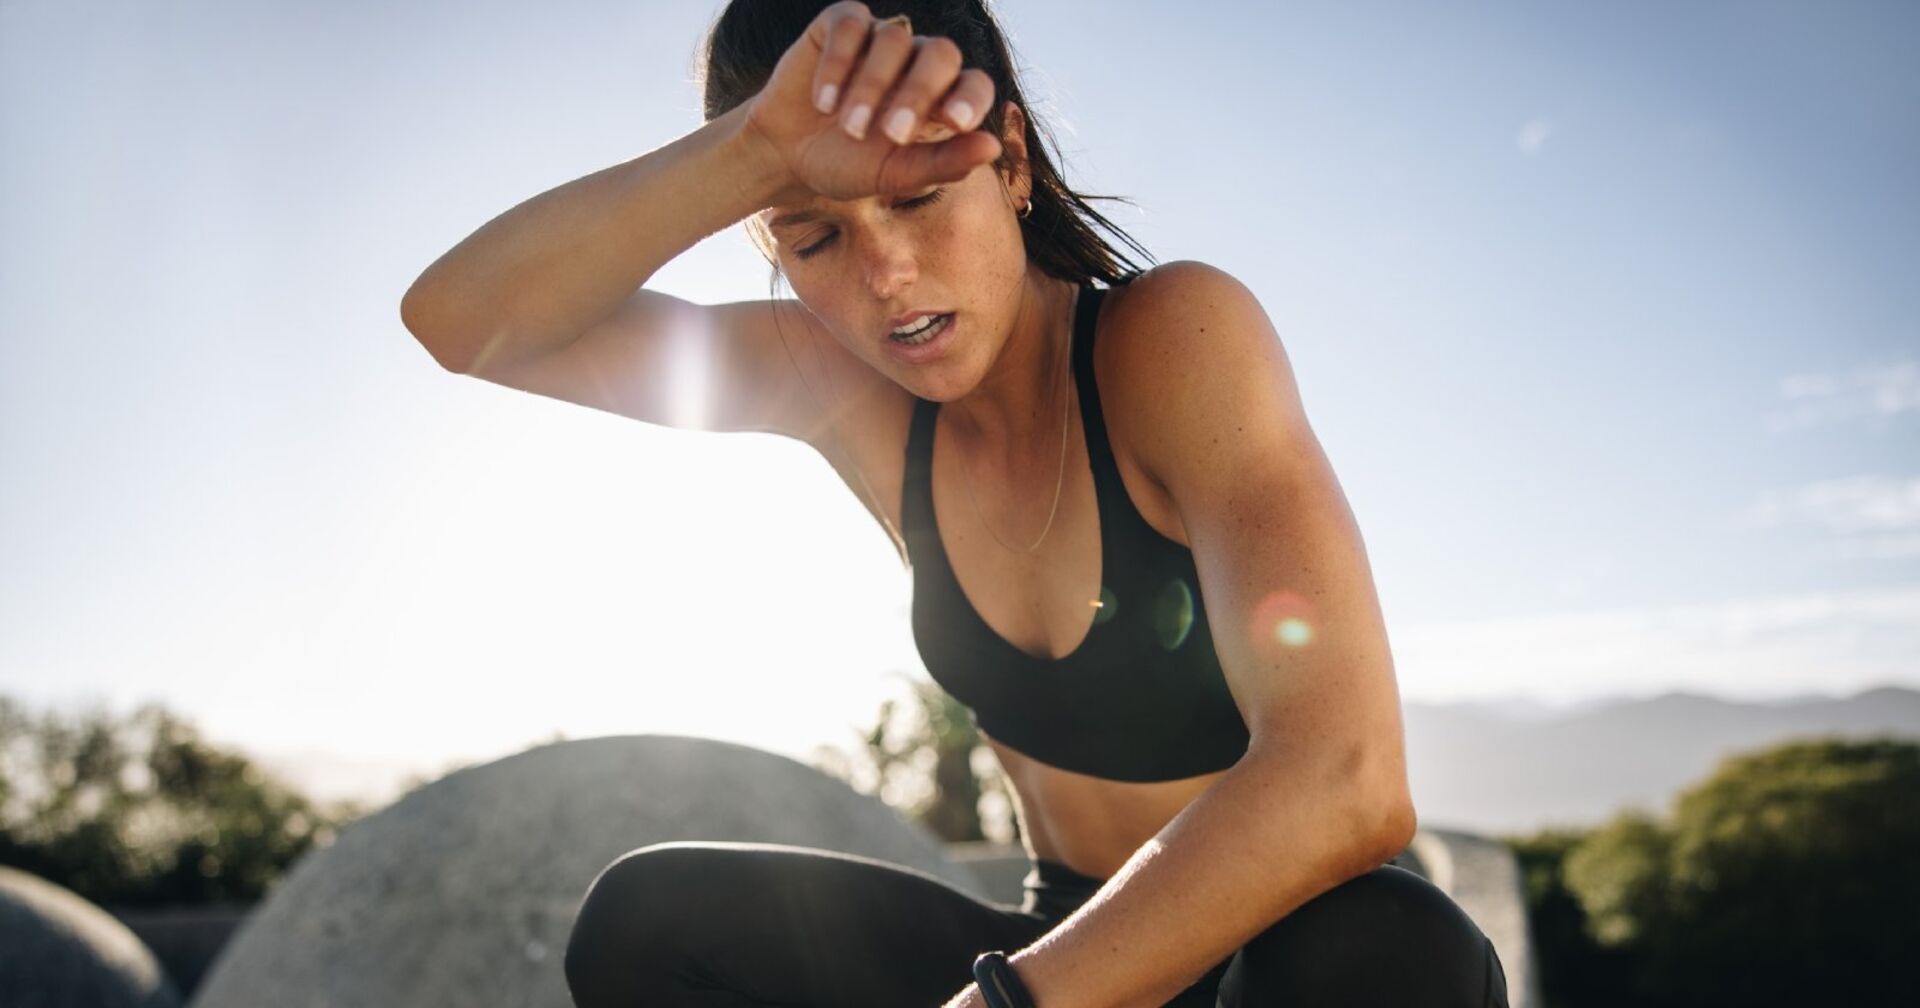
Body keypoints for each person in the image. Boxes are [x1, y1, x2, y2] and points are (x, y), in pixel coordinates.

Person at [400, 1, 1511, 1005]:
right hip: (1053, 934)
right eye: (814, 235)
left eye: (919, 198)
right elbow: (463, 323)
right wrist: (752, 154)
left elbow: (1348, 781)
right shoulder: (838, 389)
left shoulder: (1173, 341)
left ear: (1010, 160)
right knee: (650, 922)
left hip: (1264, 964)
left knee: (1393, 948)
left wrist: (1005, 1007)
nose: (886, 276)